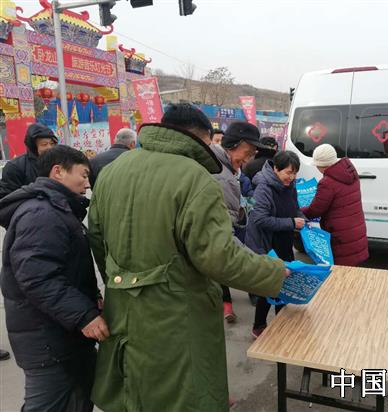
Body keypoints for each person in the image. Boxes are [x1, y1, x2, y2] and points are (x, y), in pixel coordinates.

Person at [87, 103, 288, 412]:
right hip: (178, 317)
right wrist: (274, 272)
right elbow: (219, 256)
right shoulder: (195, 178)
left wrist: (120, 282)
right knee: (183, 395)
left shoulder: (113, 171)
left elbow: (97, 240)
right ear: (201, 137)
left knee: (136, 394)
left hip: (122, 311)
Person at [0, 145, 108, 412]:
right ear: (58, 172)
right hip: (47, 342)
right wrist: (84, 315)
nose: (87, 184)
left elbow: (65, 268)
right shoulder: (41, 213)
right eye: (83, 175)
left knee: (77, 399)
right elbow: (37, 277)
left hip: (61, 334)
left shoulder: (57, 209)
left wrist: (92, 298)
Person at [210, 121, 267, 323]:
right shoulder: (222, 176)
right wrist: (267, 270)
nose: (248, 159)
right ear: (234, 144)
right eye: (248, 152)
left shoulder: (223, 169)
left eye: (252, 155)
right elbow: (222, 239)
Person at [246, 151, 305, 338]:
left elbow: (295, 208)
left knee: (284, 284)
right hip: (268, 243)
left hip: (284, 240)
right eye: (288, 172)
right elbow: (259, 219)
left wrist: (301, 218)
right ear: (276, 169)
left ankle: (281, 326)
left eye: (294, 173)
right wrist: (291, 222)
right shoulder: (263, 188)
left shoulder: (290, 185)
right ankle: (259, 326)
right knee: (269, 285)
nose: (291, 177)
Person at [302, 143, 369, 266]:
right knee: (354, 270)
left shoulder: (327, 183)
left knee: (341, 273)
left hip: (340, 236)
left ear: (321, 164)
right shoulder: (350, 174)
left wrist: (297, 210)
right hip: (355, 231)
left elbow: (315, 210)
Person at [0, 123, 57, 199]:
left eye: (52, 143)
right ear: (33, 146)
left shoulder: (60, 162)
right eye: (44, 144)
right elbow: (7, 198)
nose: (49, 147)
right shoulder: (15, 167)